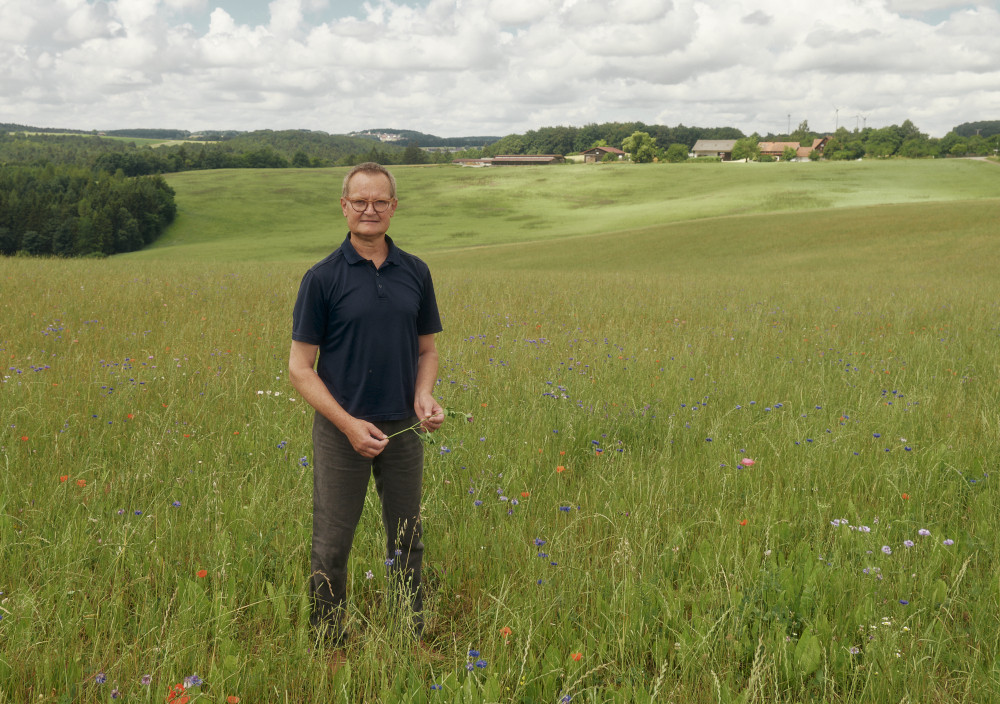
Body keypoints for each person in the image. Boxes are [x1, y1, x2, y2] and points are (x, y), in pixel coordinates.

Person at [289, 162, 443, 644]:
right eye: (360, 201)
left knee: (407, 540)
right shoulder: (322, 278)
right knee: (332, 545)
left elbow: (427, 350)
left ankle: (411, 634)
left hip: (402, 429)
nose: (370, 210)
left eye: (380, 201)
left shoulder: (415, 272)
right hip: (341, 433)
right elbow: (299, 367)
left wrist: (423, 395)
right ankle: (329, 643)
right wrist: (349, 424)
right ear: (344, 207)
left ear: (394, 207)